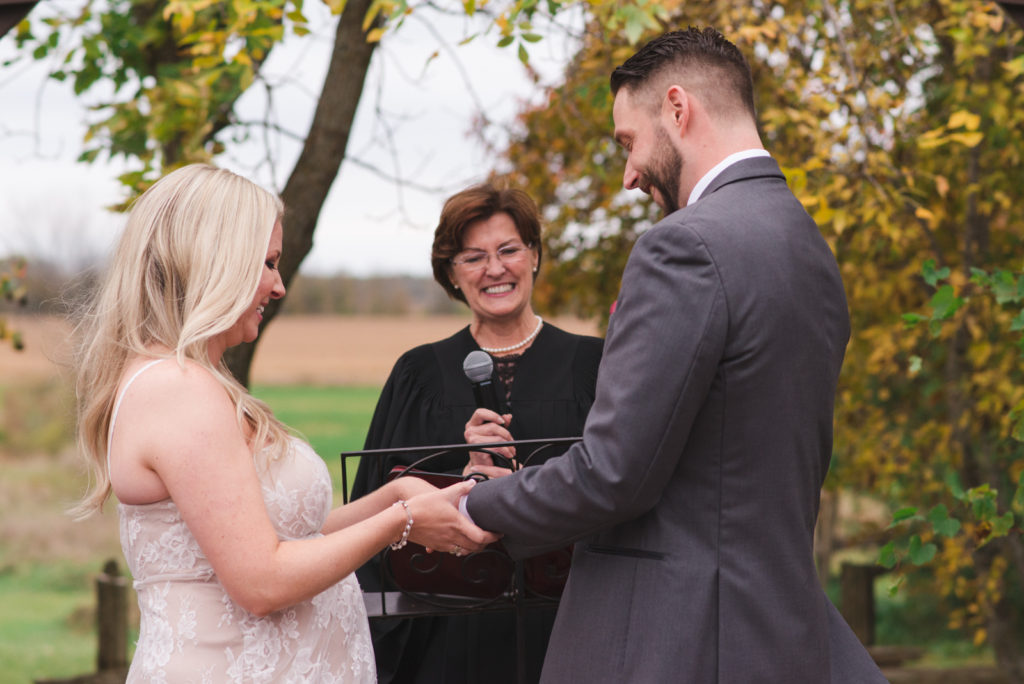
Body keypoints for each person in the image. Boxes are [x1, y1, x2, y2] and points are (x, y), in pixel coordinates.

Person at [462, 27, 888, 683]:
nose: (630, 175)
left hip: (679, 642)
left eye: (629, 143)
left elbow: (615, 472)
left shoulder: (684, 246)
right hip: (782, 637)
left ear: (679, 108)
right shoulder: (809, 248)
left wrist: (475, 504)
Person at [70, 163, 496, 683]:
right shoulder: (176, 389)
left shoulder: (195, 382)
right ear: (214, 262)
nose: (278, 287)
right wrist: (400, 520)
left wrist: (394, 497)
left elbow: (288, 540)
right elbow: (262, 582)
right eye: (268, 264)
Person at [350, 182, 603, 683]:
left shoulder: (595, 366)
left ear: (533, 255)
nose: (494, 269)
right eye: (472, 257)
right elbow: (374, 513)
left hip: (573, 629)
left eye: (509, 249)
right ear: (451, 273)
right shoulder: (418, 376)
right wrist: (459, 482)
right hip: (448, 639)